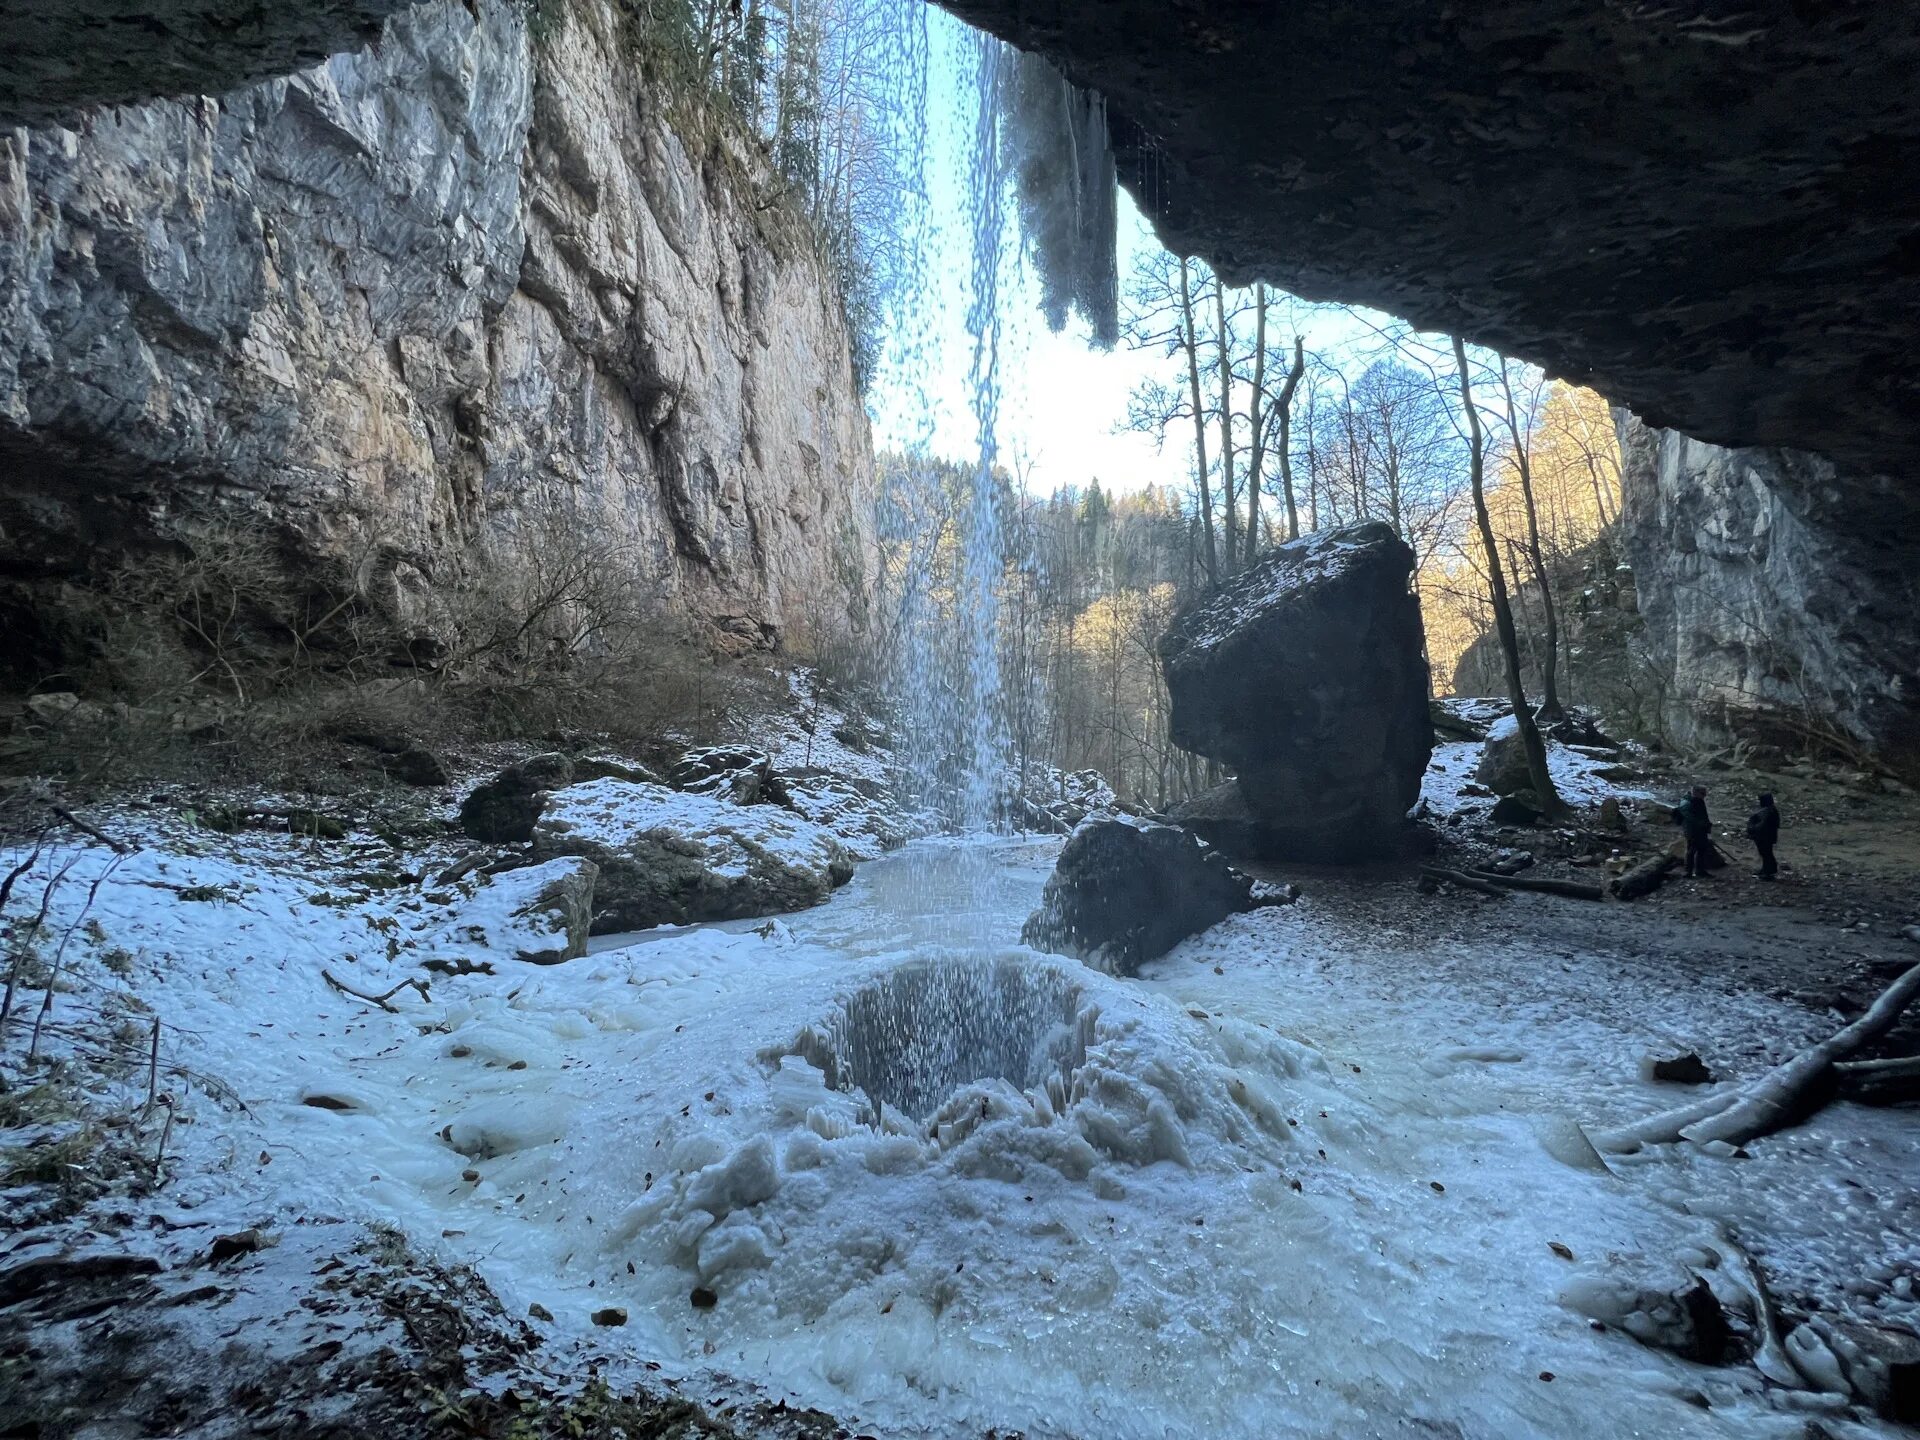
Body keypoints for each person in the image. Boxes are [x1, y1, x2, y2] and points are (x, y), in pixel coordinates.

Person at [1673, 784, 1714, 877]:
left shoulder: (1696, 800)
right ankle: (1688, 872)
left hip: (1698, 829)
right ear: (1696, 792)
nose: (1705, 795)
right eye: (1703, 793)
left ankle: (1699, 871)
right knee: (1692, 850)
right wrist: (1704, 825)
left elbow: (1702, 815)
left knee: (1701, 849)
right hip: (1692, 830)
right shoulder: (1687, 803)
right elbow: (1692, 819)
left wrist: (1706, 825)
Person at [1746, 791, 1781, 879]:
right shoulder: (1769, 810)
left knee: (1767, 854)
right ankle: (1766, 869)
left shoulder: (1769, 811)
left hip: (1766, 836)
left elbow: (1763, 825)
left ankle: (1768, 872)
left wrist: (1753, 829)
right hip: (1766, 836)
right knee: (1765, 854)